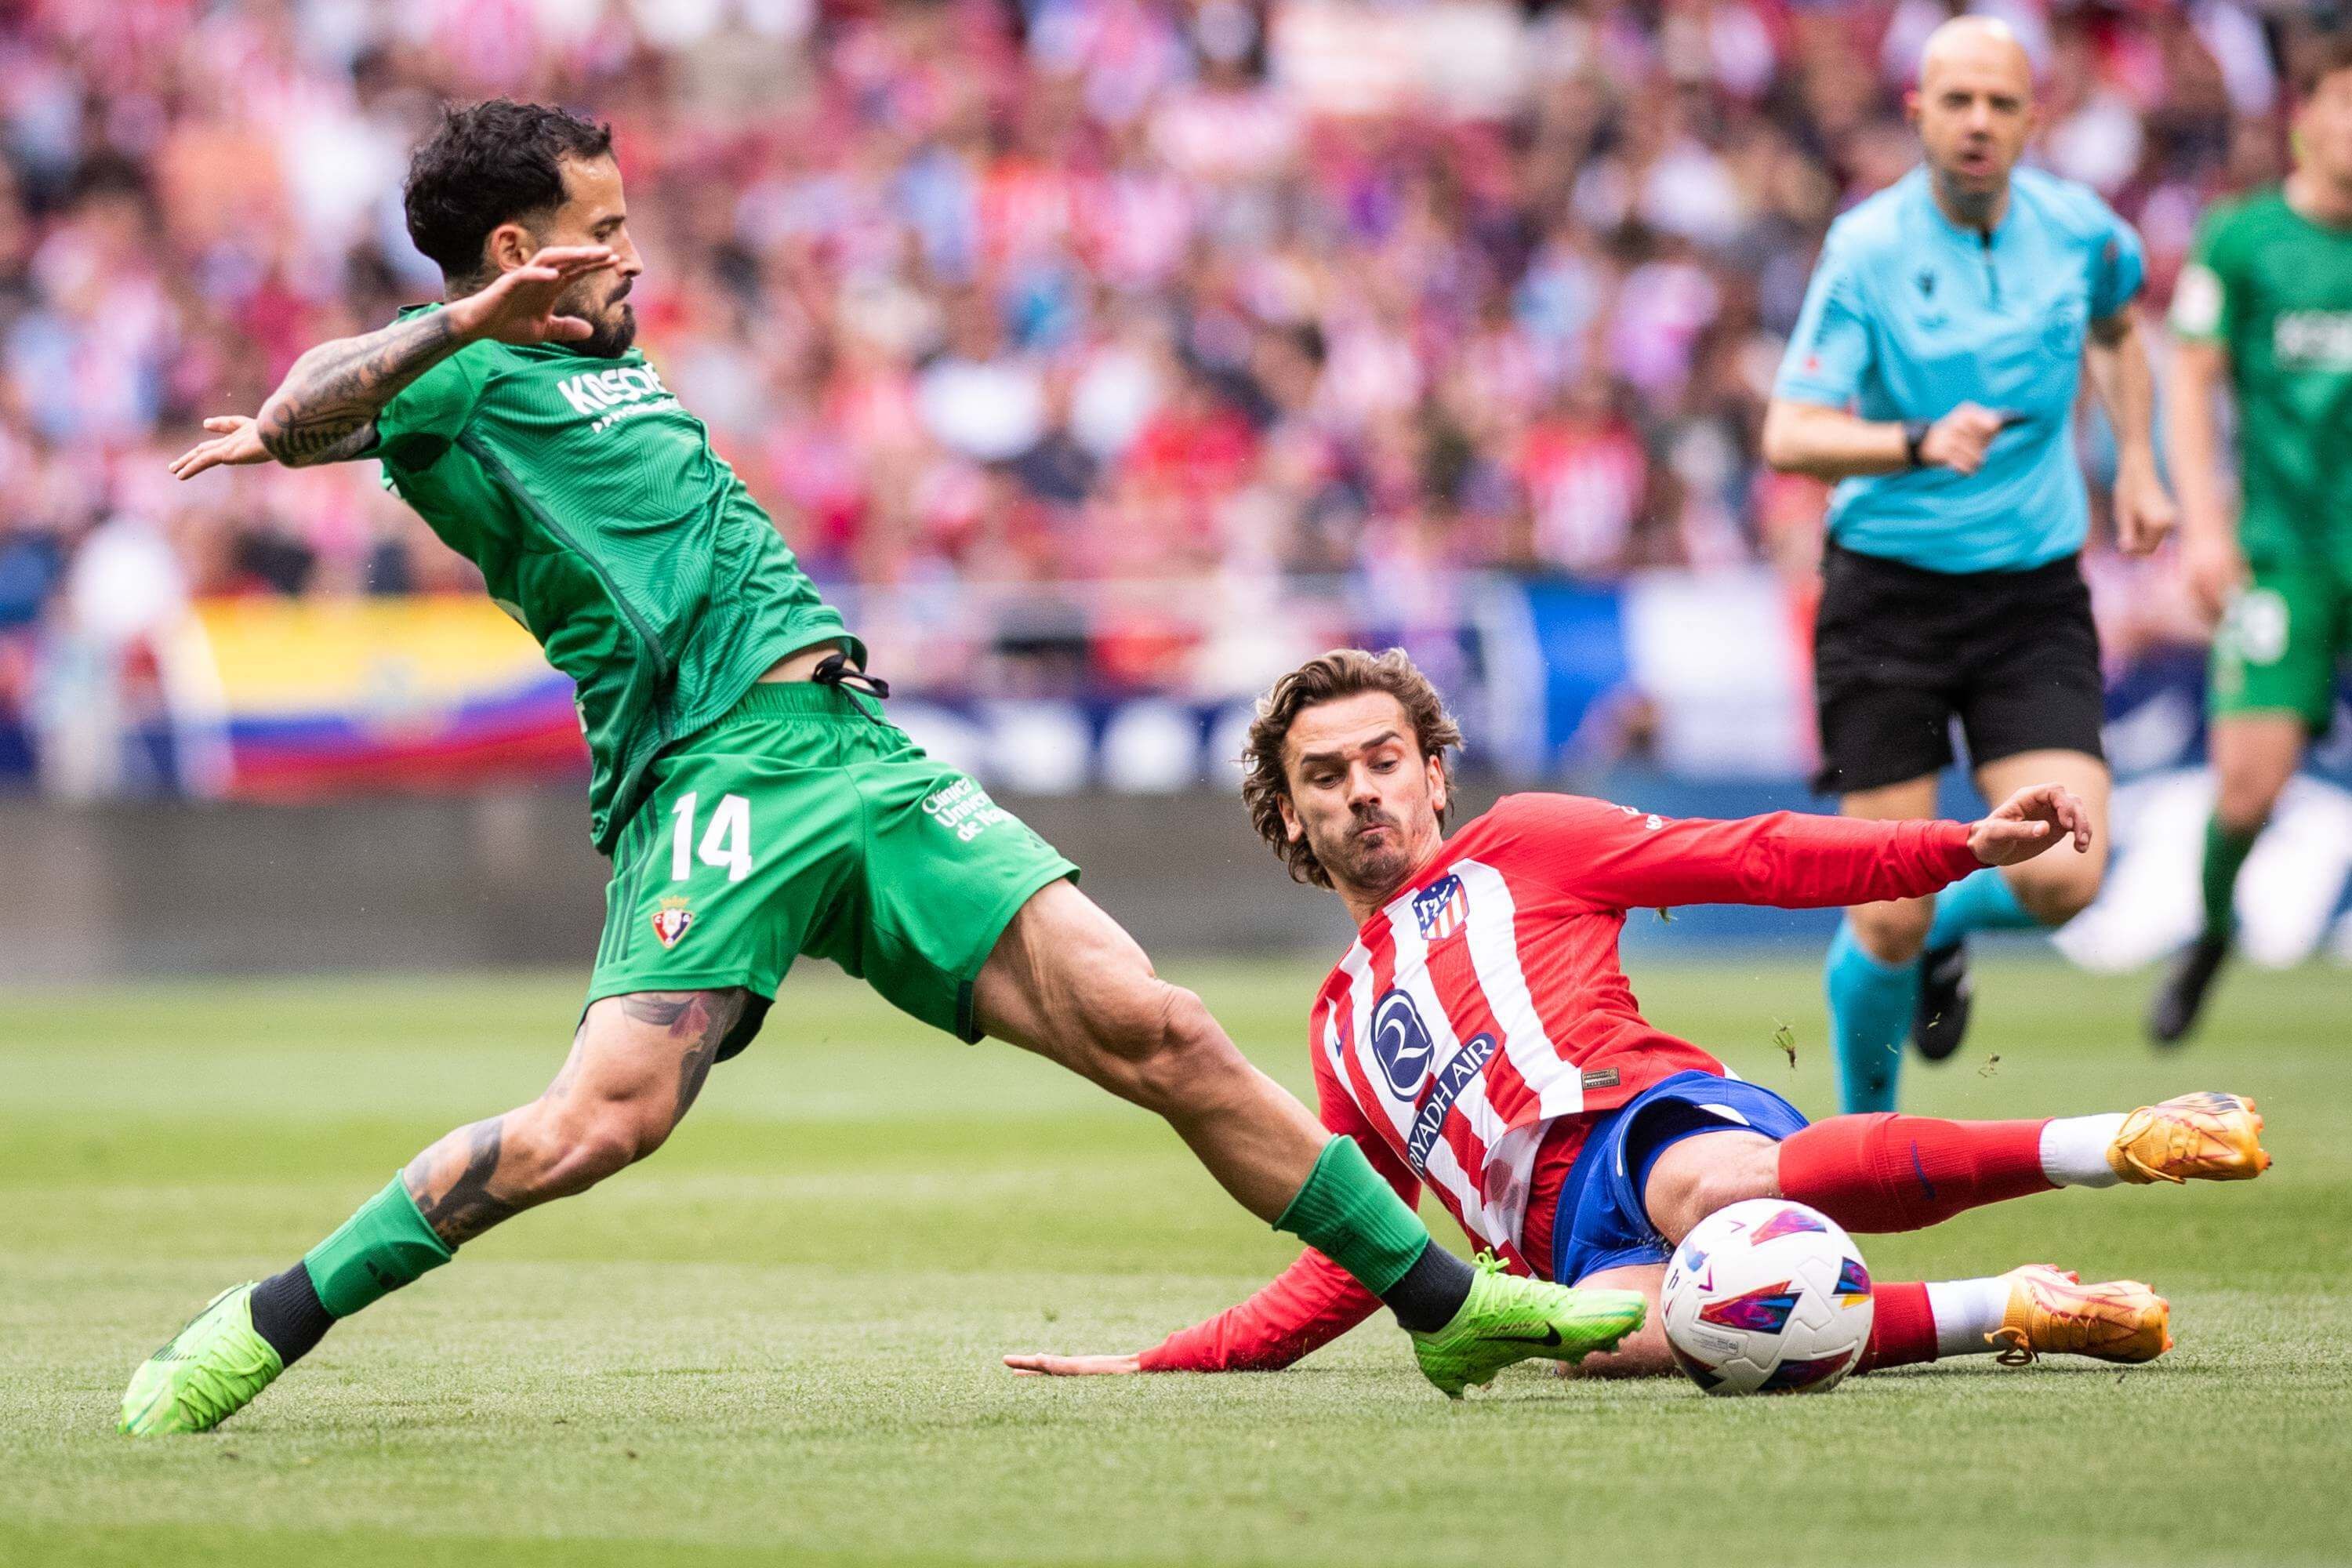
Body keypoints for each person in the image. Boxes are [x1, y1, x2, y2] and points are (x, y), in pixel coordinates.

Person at [118, 103, 1632, 1438]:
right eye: (605, 230)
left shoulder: (607, 349)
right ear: (518, 249)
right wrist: (452, 326)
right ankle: (262, 1323)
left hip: (859, 745)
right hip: (713, 776)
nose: (633, 256)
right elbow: (305, 403)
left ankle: (1449, 1310)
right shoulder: (453, 383)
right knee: (598, 1125)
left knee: (1155, 1025)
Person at [1005, 648, 2267, 1385]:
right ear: (1292, 819)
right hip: (1561, 1259)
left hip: (1643, 1122)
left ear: (1434, 771)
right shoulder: (1339, 1028)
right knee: (1654, 1342)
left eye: (1384, 760)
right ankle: (2011, 1305)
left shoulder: (1528, 843)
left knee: (1715, 1196)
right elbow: (1358, 1251)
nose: (1362, 794)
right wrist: (1172, 1359)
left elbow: (1756, 856)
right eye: (1324, 779)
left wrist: (1957, 847)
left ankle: (2117, 1143)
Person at [1759, 16, 2176, 1113]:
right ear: (1919, 114)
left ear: (2033, 117)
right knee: (1882, 909)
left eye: (2001, 102)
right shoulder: (1868, 248)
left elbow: (2123, 333)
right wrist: (1912, 442)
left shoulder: (2085, 235)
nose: (1979, 121)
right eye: (1958, 102)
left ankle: (1944, 924)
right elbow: (1791, 431)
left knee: (2065, 878)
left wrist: (2136, 462)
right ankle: (1865, 1151)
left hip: (2031, 595)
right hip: (1886, 594)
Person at [2150, 34, 2352, 1044]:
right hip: (2285, 553)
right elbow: (2190, 383)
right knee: (2246, 788)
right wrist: (2205, 527)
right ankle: (2213, 931)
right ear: (2305, 116)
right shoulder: (2242, 240)